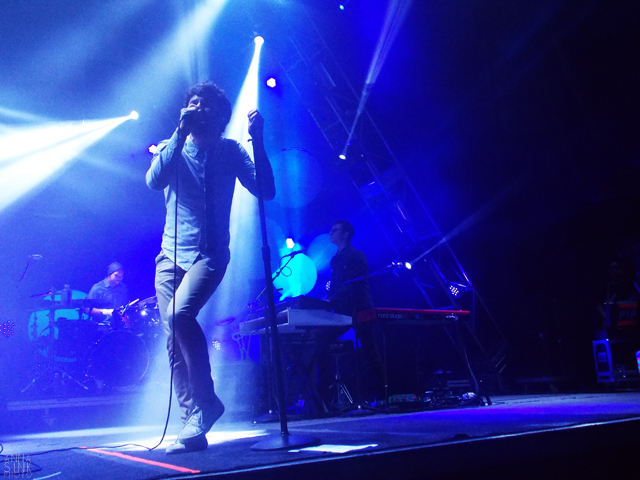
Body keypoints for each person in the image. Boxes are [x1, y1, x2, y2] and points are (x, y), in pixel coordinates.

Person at [146, 81, 275, 454]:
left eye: (205, 104)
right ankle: (193, 423)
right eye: (192, 102)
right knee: (173, 339)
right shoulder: (173, 147)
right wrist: (178, 133)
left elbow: (266, 191)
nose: (197, 107)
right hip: (170, 257)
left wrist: (258, 142)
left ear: (220, 116)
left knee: (179, 315)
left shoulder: (230, 151)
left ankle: (207, 403)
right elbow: (153, 181)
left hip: (210, 254)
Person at [325, 220, 385, 406]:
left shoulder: (357, 256)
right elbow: (335, 286)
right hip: (341, 310)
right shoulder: (335, 260)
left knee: (370, 351)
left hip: (359, 308)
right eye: (331, 230)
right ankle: (325, 392)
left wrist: (330, 300)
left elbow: (351, 285)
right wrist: (325, 302)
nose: (331, 233)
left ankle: (383, 394)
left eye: (335, 230)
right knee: (322, 340)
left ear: (346, 234)